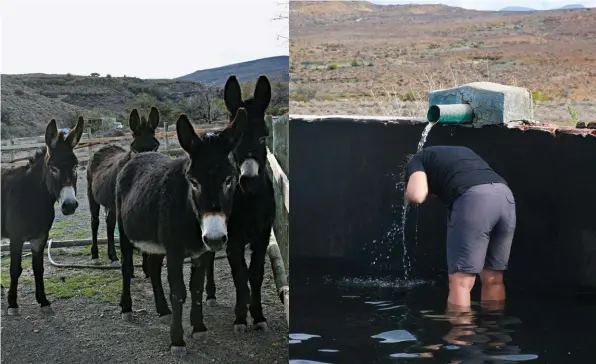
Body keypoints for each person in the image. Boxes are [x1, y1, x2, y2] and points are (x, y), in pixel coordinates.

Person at [403, 145, 516, 311]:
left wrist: (408, 191)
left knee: (461, 282)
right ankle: (493, 330)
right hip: (504, 196)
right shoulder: (461, 153)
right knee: (493, 277)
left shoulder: (418, 160)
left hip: (474, 201)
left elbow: (417, 195)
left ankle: (461, 334)